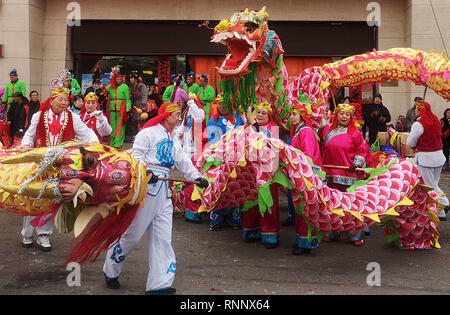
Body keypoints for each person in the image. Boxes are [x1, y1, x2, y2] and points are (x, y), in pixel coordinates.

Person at [102, 102, 208, 295]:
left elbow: (183, 161)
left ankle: (159, 285)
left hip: (164, 194)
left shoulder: (173, 139)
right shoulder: (148, 133)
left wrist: (197, 177)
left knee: (162, 238)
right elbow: (137, 156)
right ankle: (111, 269)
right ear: (166, 116)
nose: (179, 117)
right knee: (132, 235)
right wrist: (146, 170)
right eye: (176, 114)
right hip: (147, 190)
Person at [18, 87, 99, 251]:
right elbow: (29, 134)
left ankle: (44, 234)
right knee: (32, 196)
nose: (64, 102)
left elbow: (87, 133)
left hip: (61, 166)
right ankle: (26, 233)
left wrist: (96, 147)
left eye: (66, 100)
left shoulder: (72, 118)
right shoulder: (39, 116)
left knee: (52, 198)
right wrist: (25, 145)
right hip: (39, 164)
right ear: (52, 100)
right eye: (61, 99)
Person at [320, 103, 373, 246]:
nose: (344, 116)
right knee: (333, 204)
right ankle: (332, 231)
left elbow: (362, 151)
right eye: (341, 113)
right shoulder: (326, 130)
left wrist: (357, 163)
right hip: (330, 173)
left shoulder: (355, 133)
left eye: (347, 114)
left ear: (351, 117)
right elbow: (321, 149)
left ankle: (355, 235)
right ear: (336, 115)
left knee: (351, 205)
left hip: (349, 173)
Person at [242, 101, 281, 249]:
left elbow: (272, 148)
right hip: (251, 169)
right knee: (251, 200)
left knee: (267, 202)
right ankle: (251, 231)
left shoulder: (273, 128)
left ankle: (269, 235)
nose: (259, 115)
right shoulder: (250, 128)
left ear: (269, 115)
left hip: (267, 171)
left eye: (263, 113)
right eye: (258, 112)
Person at [206, 95, 245, 231]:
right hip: (220, 158)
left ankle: (235, 217)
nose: (221, 106)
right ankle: (216, 218)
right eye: (219, 104)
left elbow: (244, 133)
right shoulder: (213, 120)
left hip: (237, 157)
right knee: (219, 188)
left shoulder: (238, 117)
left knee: (236, 187)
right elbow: (213, 140)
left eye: (224, 103)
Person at [289, 103, 323, 255]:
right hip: (299, 175)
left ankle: (306, 243)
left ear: (302, 116)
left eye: (294, 115)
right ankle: (301, 240)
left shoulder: (306, 132)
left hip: (305, 176)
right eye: (291, 115)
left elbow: (308, 156)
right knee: (300, 210)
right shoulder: (299, 131)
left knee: (305, 210)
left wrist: (302, 174)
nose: (291, 117)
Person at [407, 101, 450, 221]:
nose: (415, 111)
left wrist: (414, 146)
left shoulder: (418, 124)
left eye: (416, 109)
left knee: (429, 186)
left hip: (426, 158)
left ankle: (444, 203)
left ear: (420, 110)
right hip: (439, 156)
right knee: (433, 183)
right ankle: (440, 212)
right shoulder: (436, 119)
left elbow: (411, 142)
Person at [104, 67, 132, 148]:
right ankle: (112, 143)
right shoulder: (110, 87)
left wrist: (128, 108)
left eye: (120, 79)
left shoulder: (125, 87)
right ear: (114, 79)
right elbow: (103, 92)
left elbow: (127, 98)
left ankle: (118, 143)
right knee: (112, 126)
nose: (119, 80)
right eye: (118, 79)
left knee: (121, 127)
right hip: (112, 108)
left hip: (122, 108)